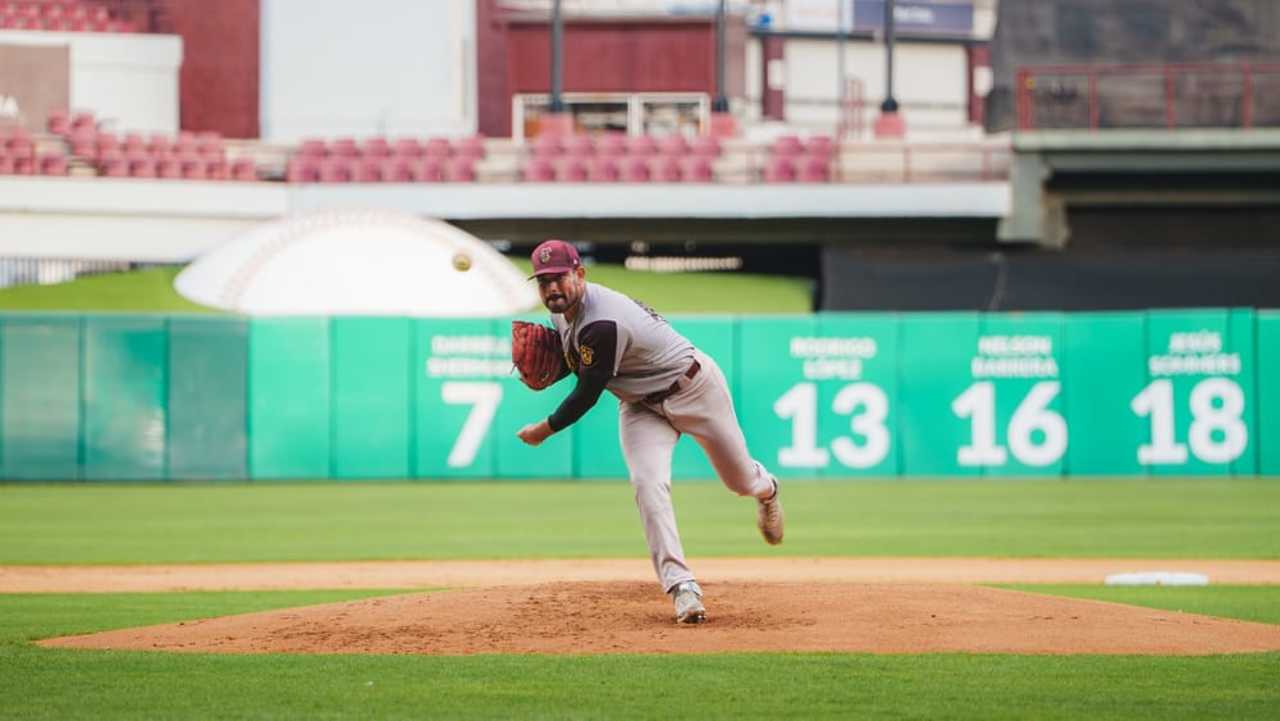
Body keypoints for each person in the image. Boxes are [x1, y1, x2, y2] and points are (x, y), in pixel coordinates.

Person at [515, 239, 784, 624]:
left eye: (559, 278)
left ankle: (767, 489)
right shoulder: (561, 314)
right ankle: (682, 586)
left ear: (580, 275)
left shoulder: (602, 322)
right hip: (641, 406)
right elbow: (584, 362)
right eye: (544, 281)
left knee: (740, 482)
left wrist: (544, 429)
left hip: (693, 388)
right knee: (648, 483)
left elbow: (587, 393)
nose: (552, 288)